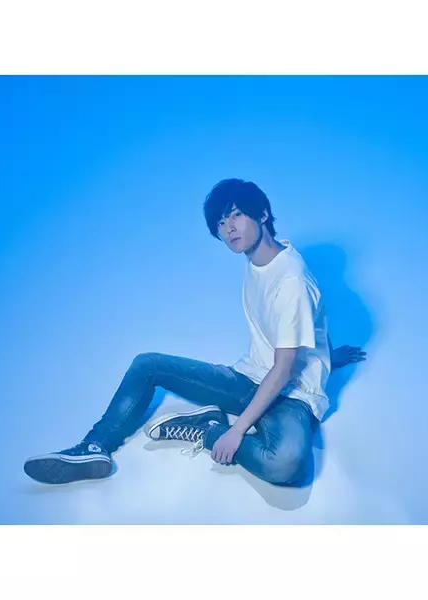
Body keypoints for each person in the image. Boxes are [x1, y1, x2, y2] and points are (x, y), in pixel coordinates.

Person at [23, 178, 366, 486]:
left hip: (289, 396)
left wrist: (234, 431)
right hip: (249, 377)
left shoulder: (290, 279)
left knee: (286, 464)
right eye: (221, 222)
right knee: (146, 365)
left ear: (262, 214)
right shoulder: (261, 259)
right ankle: (94, 447)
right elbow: (313, 315)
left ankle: (208, 429)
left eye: (236, 215)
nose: (228, 228)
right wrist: (325, 355)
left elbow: (284, 368)